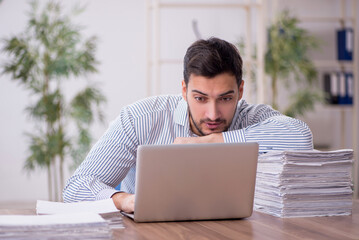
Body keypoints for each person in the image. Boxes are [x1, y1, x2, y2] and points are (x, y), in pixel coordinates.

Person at [63, 37, 313, 213]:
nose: (213, 114)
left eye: (226, 98)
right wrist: (124, 200)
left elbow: (301, 137)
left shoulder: (251, 117)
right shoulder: (140, 118)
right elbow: (76, 189)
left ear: (240, 90)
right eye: (200, 98)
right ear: (184, 90)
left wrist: (212, 142)